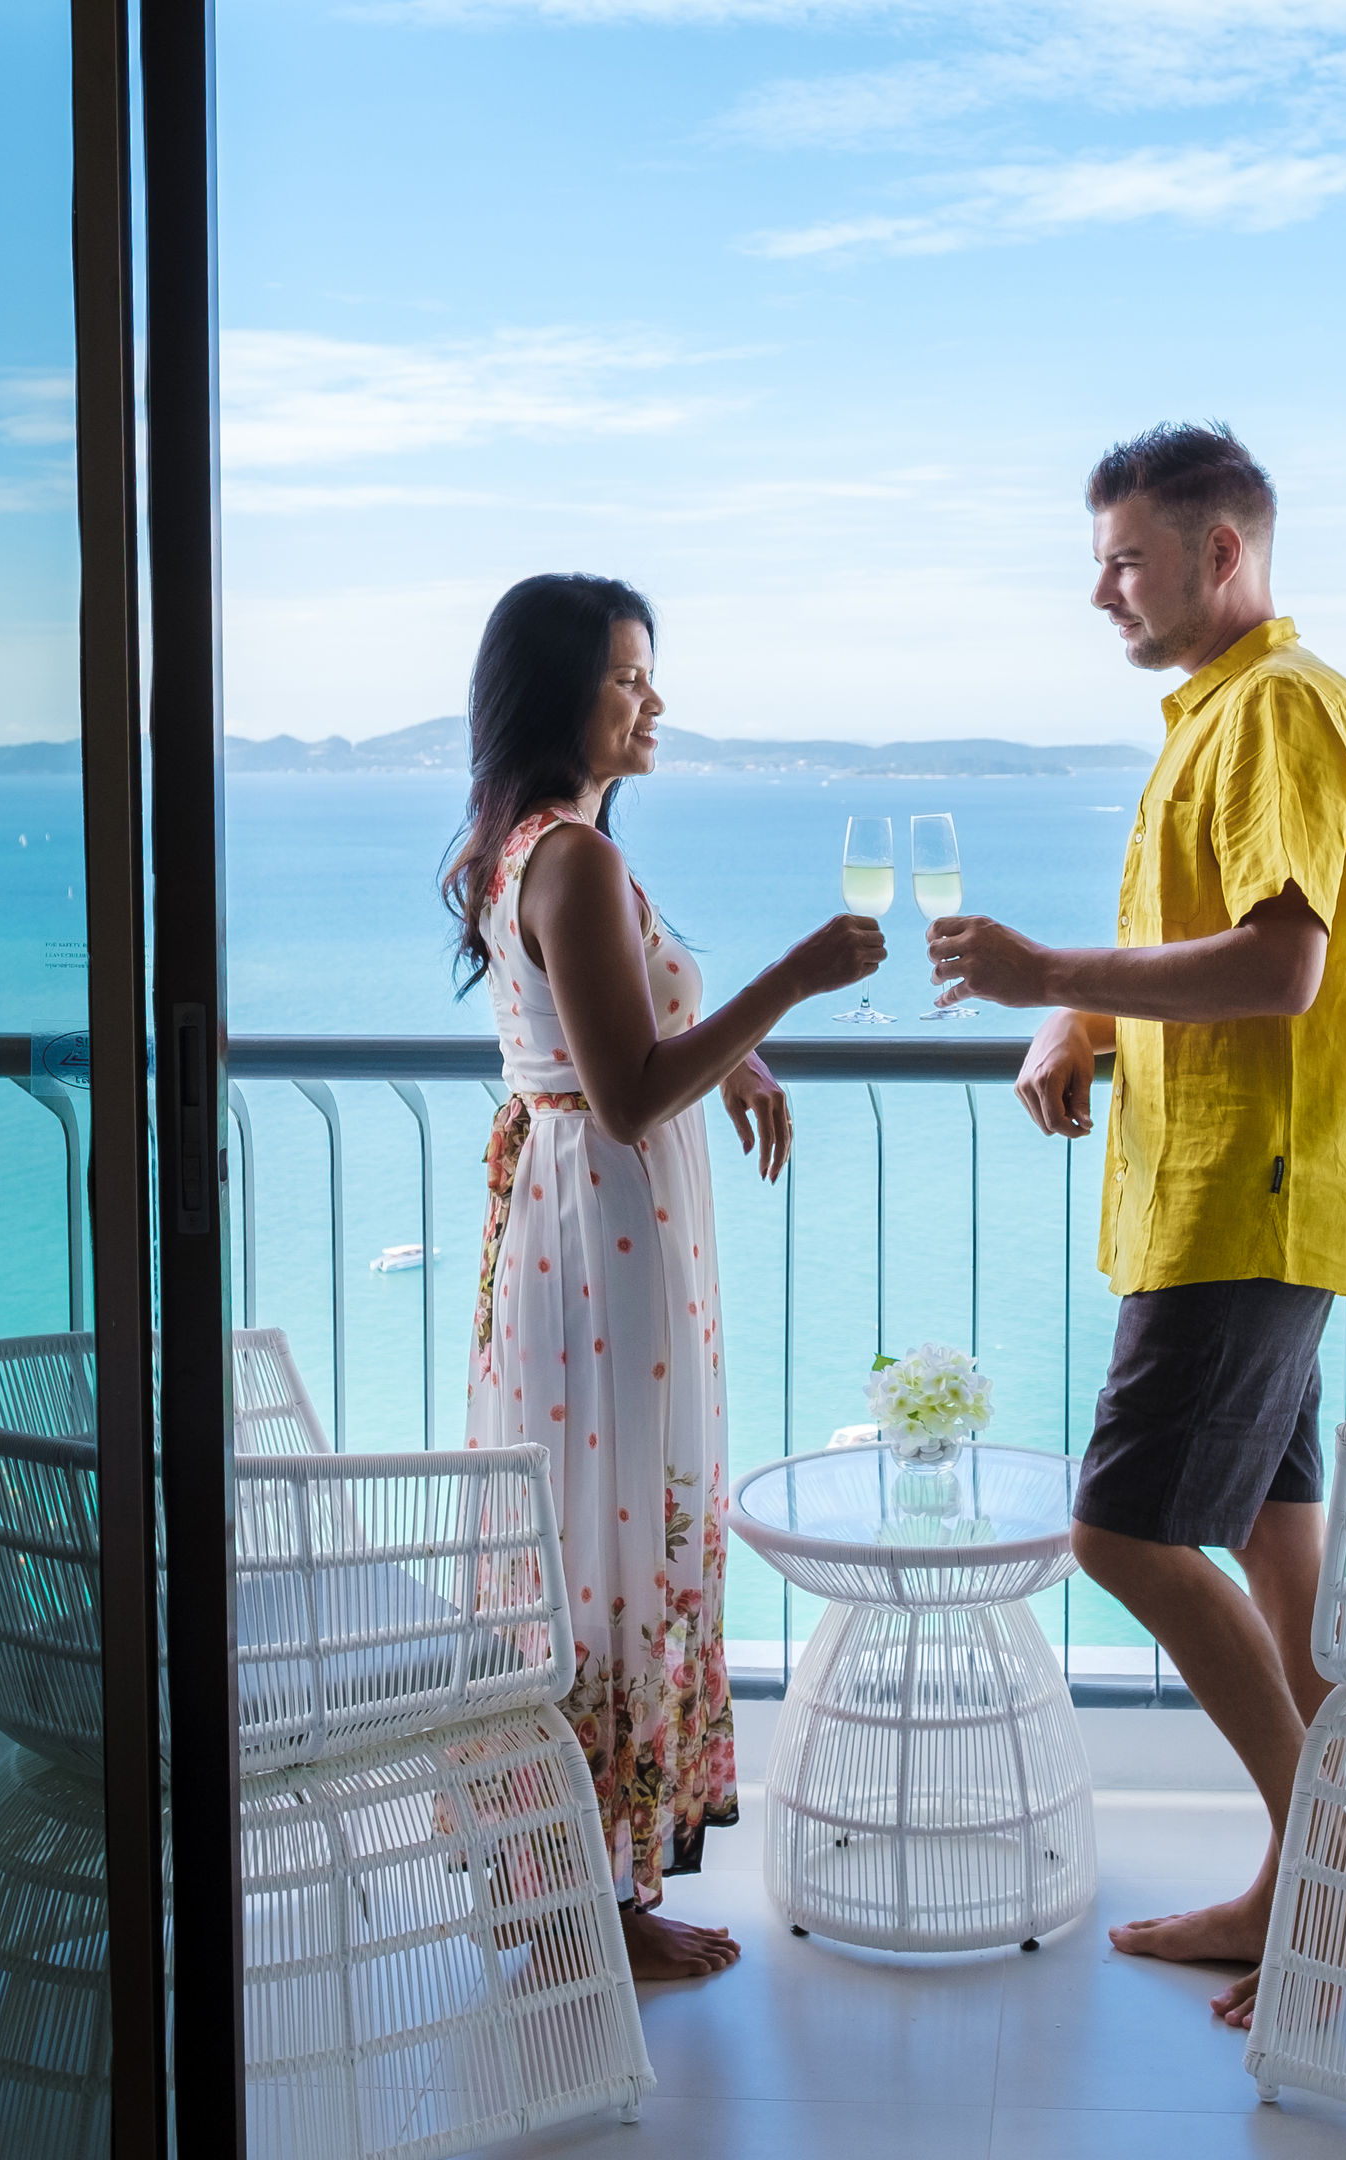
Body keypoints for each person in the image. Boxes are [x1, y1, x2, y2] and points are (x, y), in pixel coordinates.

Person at [924, 425, 1346, 2029]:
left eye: (1125, 558)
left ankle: (1333, 1880)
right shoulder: (1219, 714)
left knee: (1121, 1529)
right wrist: (1085, 1025)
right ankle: (1301, 1892)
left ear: (1222, 553)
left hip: (1246, 1199)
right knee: (1282, 1542)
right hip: (1250, 1191)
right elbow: (1213, 943)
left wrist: (1050, 974)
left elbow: (1281, 967)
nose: (1099, 592)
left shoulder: (1279, 706)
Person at [444, 573, 886, 1981]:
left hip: (586, 1234)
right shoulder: (570, 859)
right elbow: (627, 1092)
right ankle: (591, 1910)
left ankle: (578, 1888)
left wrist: (734, 1056)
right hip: (607, 1246)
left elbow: (603, 1040)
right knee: (614, 1552)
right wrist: (792, 984)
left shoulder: (539, 845)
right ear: (561, 691)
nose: (653, 702)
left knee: (589, 1547)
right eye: (629, 677)